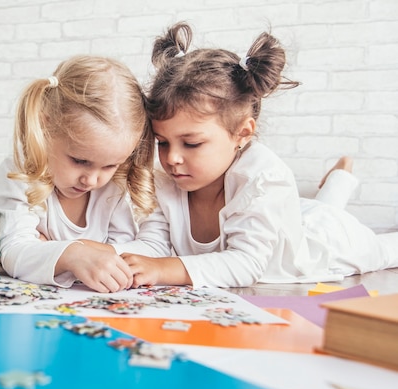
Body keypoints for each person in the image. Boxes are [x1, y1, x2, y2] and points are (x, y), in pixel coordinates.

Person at [114, 22, 398, 288]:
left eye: (191, 144)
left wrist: (163, 269)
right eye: (162, 142)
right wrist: (93, 253)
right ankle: (338, 179)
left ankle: (340, 178)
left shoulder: (263, 178)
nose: (171, 158)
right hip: (287, 217)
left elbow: (246, 264)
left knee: (367, 241)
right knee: (317, 212)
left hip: (326, 245)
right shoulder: (168, 183)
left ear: (242, 133)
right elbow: (152, 247)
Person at [0, 55, 156, 293]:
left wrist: (63, 249)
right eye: (80, 161)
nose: (92, 179)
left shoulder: (113, 187)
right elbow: (15, 253)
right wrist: (73, 255)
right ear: (46, 127)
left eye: (110, 166)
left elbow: (134, 253)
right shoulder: (21, 173)